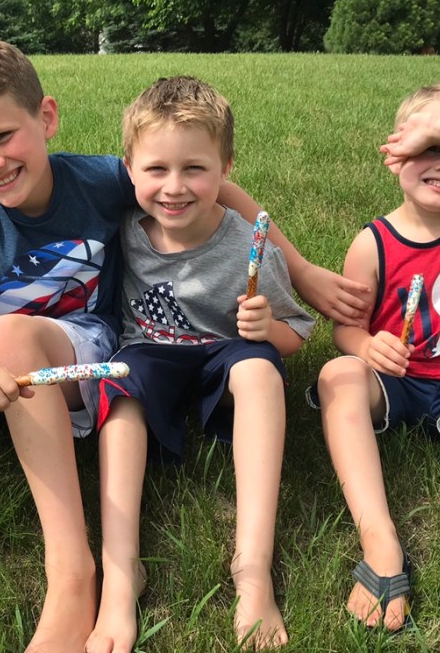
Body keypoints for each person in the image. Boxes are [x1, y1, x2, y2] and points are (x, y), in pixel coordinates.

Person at [0, 39, 369, 653]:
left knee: (4, 331)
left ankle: (72, 573)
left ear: (46, 118)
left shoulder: (102, 179)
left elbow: (223, 193)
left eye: (3, 136)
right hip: (14, 363)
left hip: (89, 351)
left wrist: (302, 271)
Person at [85, 76, 314, 652]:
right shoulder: (121, 229)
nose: (174, 187)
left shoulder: (248, 246)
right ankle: (120, 574)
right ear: (129, 170)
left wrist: (267, 330)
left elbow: (296, 334)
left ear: (225, 169)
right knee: (119, 387)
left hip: (226, 356)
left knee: (260, 370)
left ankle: (253, 567)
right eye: (156, 169)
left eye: (195, 169)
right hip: (149, 353)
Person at [312, 79, 440, 631]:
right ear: (397, 153)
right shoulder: (372, 242)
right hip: (394, 386)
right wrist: (365, 345)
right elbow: (345, 330)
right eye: (430, 148)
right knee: (338, 374)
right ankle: (379, 537)